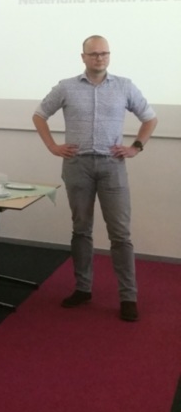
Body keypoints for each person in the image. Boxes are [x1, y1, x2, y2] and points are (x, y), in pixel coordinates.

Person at [33, 35, 157, 322]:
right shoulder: (66, 87)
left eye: (104, 53)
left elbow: (150, 118)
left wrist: (136, 147)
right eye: (94, 54)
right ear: (83, 57)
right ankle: (83, 288)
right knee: (81, 229)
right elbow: (39, 115)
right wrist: (52, 146)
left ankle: (128, 296)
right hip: (77, 165)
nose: (99, 58)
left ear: (109, 56)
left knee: (120, 234)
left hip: (112, 166)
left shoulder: (124, 86)